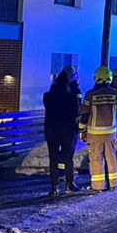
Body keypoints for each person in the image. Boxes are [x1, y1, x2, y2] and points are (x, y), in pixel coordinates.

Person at [79, 66, 117, 191]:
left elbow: (85, 114)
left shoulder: (90, 94)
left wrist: (82, 130)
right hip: (111, 133)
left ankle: (98, 186)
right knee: (112, 158)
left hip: (94, 134)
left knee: (96, 160)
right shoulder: (116, 94)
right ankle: (113, 184)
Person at [43, 68, 83, 197]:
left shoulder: (47, 96)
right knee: (68, 158)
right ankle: (70, 183)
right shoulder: (71, 96)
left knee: (53, 159)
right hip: (67, 131)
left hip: (51, 131)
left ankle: (54, 186)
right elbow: (77, 112)